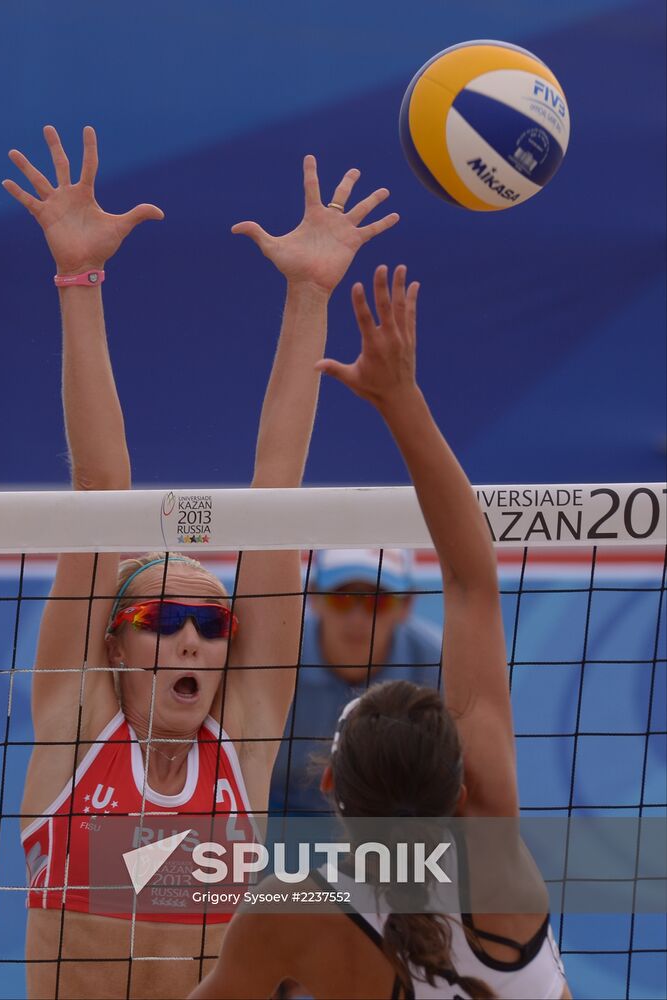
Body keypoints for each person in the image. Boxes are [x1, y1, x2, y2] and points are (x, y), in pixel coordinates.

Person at [3, 124, 399, 999]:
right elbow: (103, 487)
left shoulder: (243, 742)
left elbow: (277, 488)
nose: (191, 640)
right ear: (111, 646)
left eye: (211, 623)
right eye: (160, 619)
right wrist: (78, 278)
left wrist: (309, 295)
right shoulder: (79, 726)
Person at [189, 264, 572, 999]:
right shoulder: (500, 877)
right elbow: (470, 580)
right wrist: (401, 399)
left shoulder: (289, 911)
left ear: (330, 782)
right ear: (460, 789)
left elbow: (465, 586)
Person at [270, 546, 442, 814]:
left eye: (378, 601)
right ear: (314, 596)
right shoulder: (276, 655)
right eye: (343, 598)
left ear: (406, 604)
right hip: (276, 810)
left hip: (385, 820)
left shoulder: (437, 665)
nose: (358, 618)